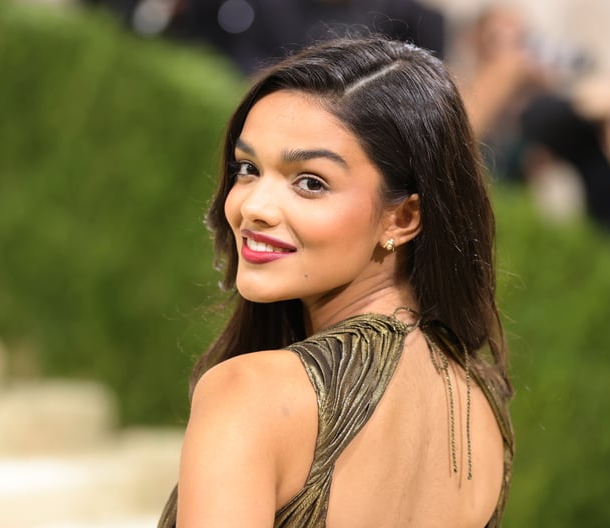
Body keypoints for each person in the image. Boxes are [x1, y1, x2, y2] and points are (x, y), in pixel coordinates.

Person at [158, 36, 514, 527]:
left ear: (404, 219)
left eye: (310, 182)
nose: (254, 207)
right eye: (248, 169)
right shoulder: (478, 408)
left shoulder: (249, 396)